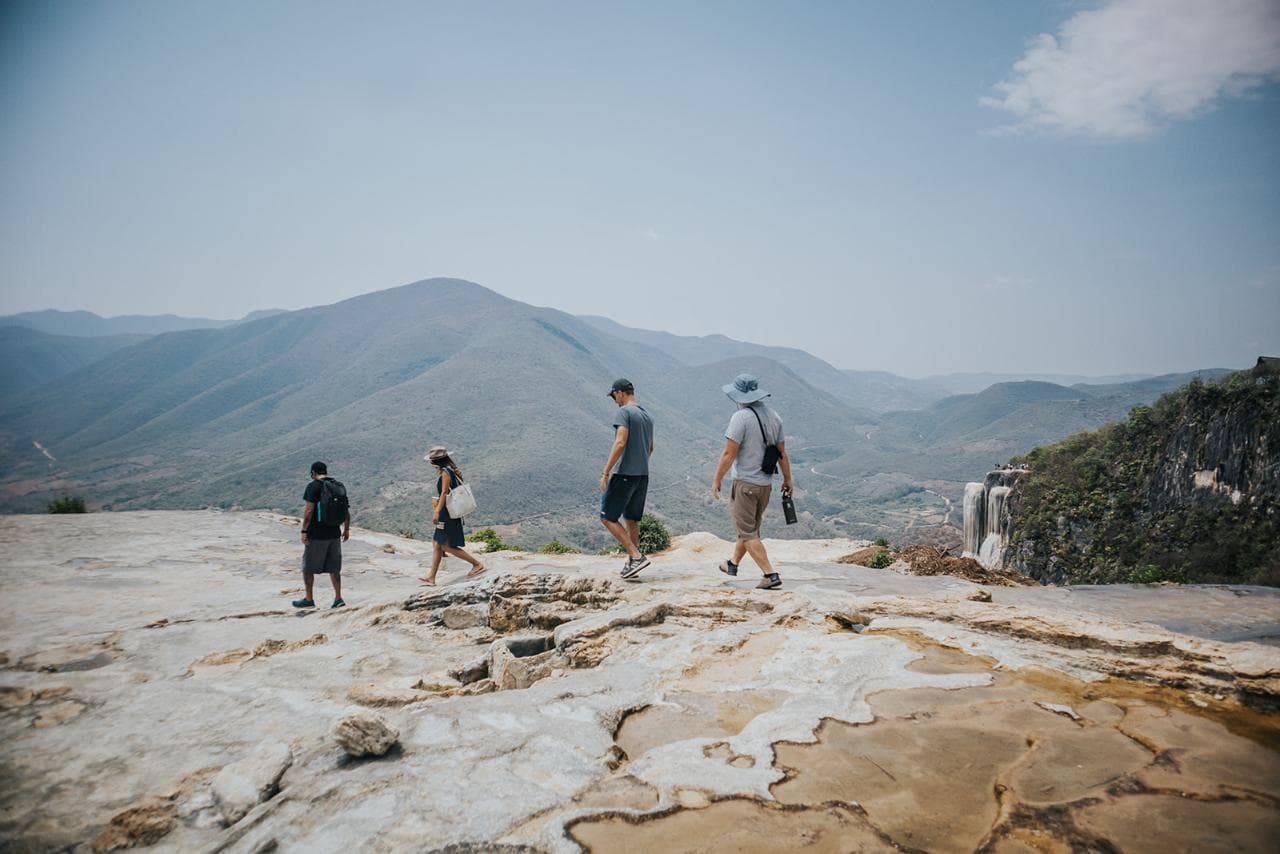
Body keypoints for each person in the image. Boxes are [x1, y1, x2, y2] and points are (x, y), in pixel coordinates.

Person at [711, 373, 793, 590]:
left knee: (747, 533)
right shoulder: (774, 416)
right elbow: (782, 453)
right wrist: (788, 479)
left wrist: (717, 479)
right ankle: (732, 564)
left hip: (745, 484)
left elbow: (729, 453)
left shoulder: (741, 417)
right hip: (765, 485)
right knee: (750, 529)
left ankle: (770, 574)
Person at [600, 378, 655, 580]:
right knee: (631, 519)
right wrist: (639, 463)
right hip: (642, 474)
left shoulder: (624, 412)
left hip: (625, 474)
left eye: (614, 396)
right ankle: (633, 562)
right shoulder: (647, 415)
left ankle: (636, 556)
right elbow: (650, 448)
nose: (615, 401)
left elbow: (620, 441)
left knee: (607, 517)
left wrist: (606, 472)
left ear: (620, 393)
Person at [419, 446, 486, 585]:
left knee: (446, 546)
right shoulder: (450, 470)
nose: (430, 462)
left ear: (436, 461)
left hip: (446, 514)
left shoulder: (445, 472)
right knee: (437, 544)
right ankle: (431, 577)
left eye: (432, 460)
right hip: (447, 512)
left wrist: (437, 511)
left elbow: (444, 493)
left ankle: (477, 564)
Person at [294, 461, 349, 608]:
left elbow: (309, 510)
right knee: (334, 568)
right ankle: (338, 598)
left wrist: (304, 531)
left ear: (313, 473)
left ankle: (309, 599)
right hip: (334, 533)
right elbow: (345, 509)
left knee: (308, 568)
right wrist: (346, 529)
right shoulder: (337, 486)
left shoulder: (313, 486)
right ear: (326, 471)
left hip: (316, 534)